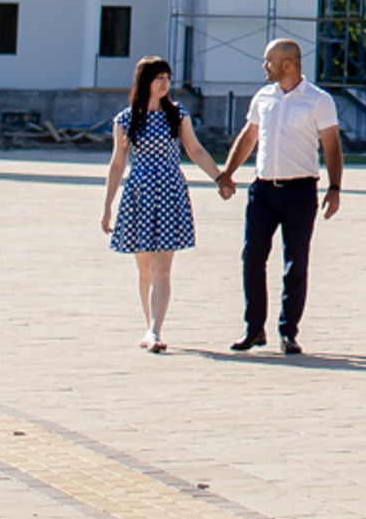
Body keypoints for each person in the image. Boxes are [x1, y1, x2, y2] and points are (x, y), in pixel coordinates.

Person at [214, 35, 342, 355]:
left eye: (269, 61)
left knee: (295, 263)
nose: (264, 66)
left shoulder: (318, 100)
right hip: (262, 191)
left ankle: (288, 331)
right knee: (252, 258)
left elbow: (331, 146)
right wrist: (228, 173)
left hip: (300, 192)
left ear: (287, 64)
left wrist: (335, 188)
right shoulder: (263, 97)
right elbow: (249, 137)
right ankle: (254, 328)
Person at [99, 57, 220, 352]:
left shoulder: (177, 114)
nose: (164, 83)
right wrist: (107, 206)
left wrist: (220, 178)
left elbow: (195, 150)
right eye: (158, 78)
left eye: (167, 77)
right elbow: (117, 164)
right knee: (144, 268)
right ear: (145, 82)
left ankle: (156, 330)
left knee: (163, 267)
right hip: (139, 194)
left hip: (169, 191)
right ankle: (148, 326)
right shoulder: (126, 120)